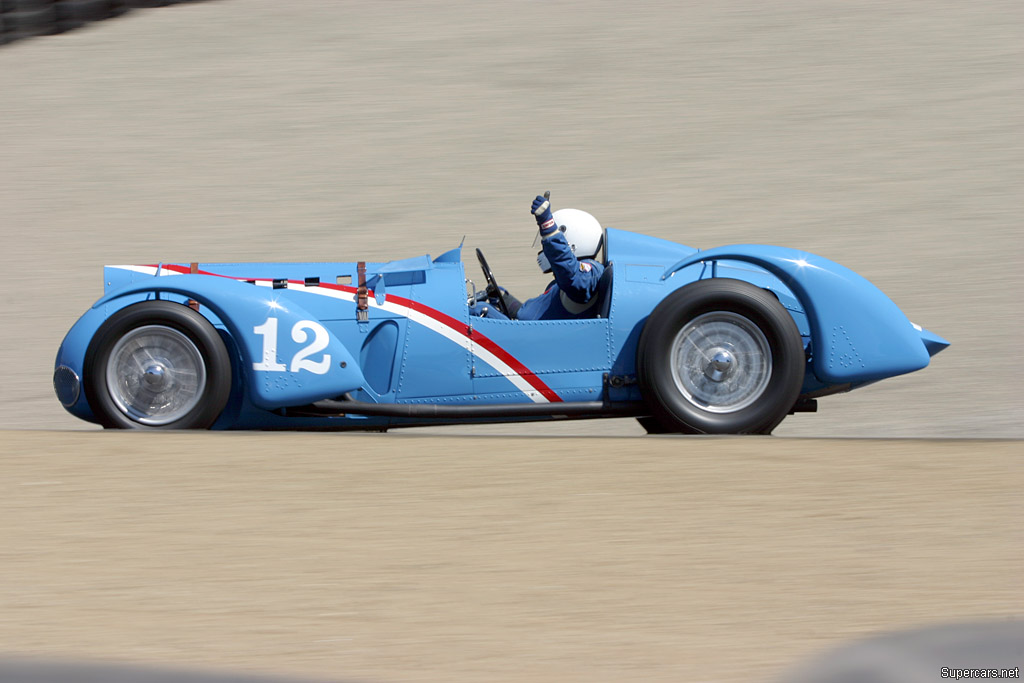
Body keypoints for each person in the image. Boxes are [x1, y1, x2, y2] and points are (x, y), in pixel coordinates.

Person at [472, 194, 606, 320]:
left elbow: (572, 276)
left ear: (570, 245)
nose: (544, 250)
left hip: (532, 340)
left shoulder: (590, 275)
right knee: (474, 308)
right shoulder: (558, 285)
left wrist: (548, 227)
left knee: (476, 311)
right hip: (525, 334)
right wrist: (504, 299)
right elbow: (530, 316)